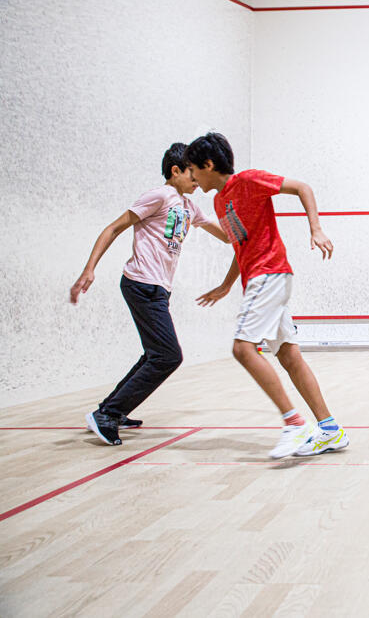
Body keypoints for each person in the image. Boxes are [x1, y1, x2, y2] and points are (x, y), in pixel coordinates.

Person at [186, 132, 349, 459]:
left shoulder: (248, 180)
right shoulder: (219, 202)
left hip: (269, 274)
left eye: (194, 170)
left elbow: (303, 187)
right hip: (262, 279)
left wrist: (315, 228)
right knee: (289, 356)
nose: (192, 177)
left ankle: (294, 423)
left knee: (243, 349)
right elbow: (240, 245)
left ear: (208, 164)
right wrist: (227, 284)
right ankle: (330, 430)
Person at [71, 143, 229, 445]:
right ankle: (107, 413)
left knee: (154, 355)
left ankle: (112, 411)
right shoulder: (158, 196)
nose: (197, 182)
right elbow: (113, 228)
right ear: (175, 171)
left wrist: (245, 225)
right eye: (192, 175)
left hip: (158, 290)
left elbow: (223, 235)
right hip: (140, 284)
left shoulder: (188, 205)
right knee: (168, 356)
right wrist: (90, 268)